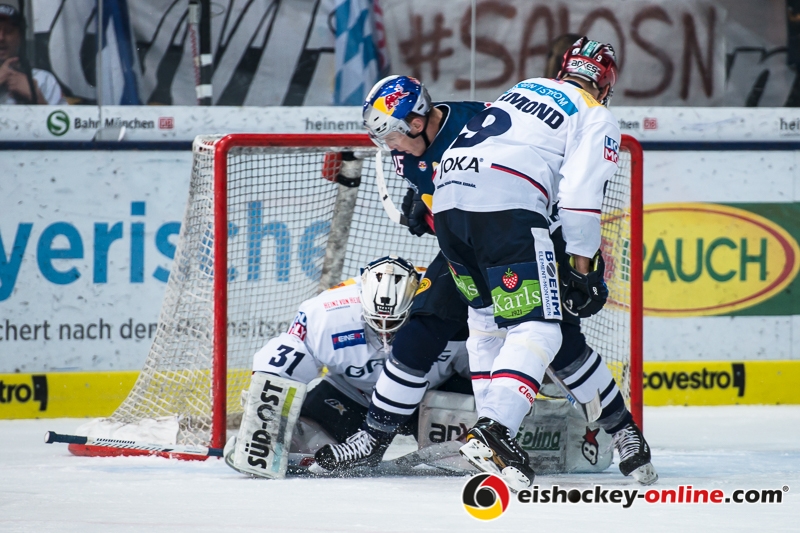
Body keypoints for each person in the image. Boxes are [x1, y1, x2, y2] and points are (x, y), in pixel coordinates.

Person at [430, 37, 656, 490]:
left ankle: (490, 434)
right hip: (508, 209)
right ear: (606, 85)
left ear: (562, 69)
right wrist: (582, 267)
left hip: (450, 206)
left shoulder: (522, 88)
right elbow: (580, 197)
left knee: (486, 324)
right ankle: (494, 431)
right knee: (543, 329)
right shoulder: (595, 114)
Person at [313, 77, 486, 471]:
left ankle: (619, 429)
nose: (390, 146)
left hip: (516, 247)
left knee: (552, 340)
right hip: (465, 250)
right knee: (417, 333)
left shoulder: (481, 126)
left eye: (392, 136)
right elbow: (441, 198)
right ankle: (373, 439)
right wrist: (424, 204)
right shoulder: (405, 152)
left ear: (417, 123)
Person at [240, 255, 470, 472]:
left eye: (395, 323)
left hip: (430, 398)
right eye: (376, 321)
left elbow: (478, 371)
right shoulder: (326, 313)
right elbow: (285, 361)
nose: (385, 333)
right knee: (302, 442)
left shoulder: (441, 309)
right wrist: (264, 396)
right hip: (353, 394)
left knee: (464, 458)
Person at [0, 1, 65, 105]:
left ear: (20, 37)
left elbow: (61, 116)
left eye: (8, 31)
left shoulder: (44, 80)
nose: (1, 38)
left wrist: (36, 96)